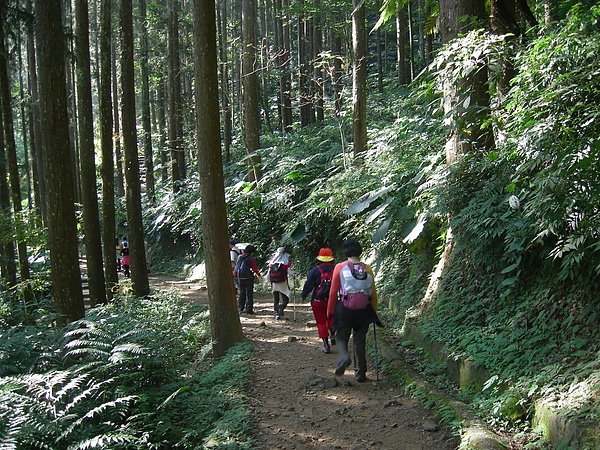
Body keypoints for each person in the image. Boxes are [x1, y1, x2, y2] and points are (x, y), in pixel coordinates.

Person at [327, 237, 380, 382]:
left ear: (346, 252)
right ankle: (361, 373)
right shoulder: (367, 268)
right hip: (364, 310)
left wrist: (330, 312)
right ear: (360, 251)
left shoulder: (339, 267)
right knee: (359, 340)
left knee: (340, 337)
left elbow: (333, 293)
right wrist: (373, 311)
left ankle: (344, 356)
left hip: (345, 309)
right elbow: (373, 293)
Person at [301, 248, 335, 352]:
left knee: (321, 322)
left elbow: (308, 285)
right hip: (332, 300)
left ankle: (326, 346)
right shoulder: (336, 270)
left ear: (319, 258)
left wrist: (303, 296)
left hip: (317, 301)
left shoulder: (315, 271)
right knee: (331, 318)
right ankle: (333, 334)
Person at [233, 244, 261, 314]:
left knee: (242, 292)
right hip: (248, 277)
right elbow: (254, 269)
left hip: (239, 276)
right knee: (249, 293)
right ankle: (249, 309)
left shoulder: (240, 257)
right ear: (251, 252)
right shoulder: (251, 258)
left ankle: (240, 307)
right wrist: (259, 275)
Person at [267, 246, 292, 319]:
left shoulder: (272, 263)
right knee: (286, 299)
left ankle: (276, 313)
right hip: (283, 282)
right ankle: (281, 307)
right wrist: (294, 273)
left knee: (276, 298)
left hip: (274, 283)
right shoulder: (285, 263)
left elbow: (268, 274)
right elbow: (290, 273)